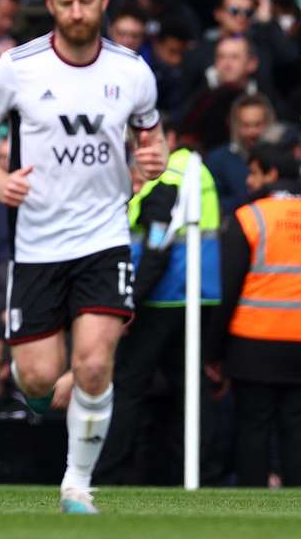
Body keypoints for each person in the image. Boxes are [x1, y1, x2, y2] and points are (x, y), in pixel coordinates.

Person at [0, 0, 167, 513]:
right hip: (36, 243)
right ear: (51, 6)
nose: (77, 12)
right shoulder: (17, 67)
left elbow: (154, 141)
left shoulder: (132, 71)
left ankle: (77, 484)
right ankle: (53, 404)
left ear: (103, 0)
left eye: (86, 1)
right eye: (65, 3)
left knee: (96, 363)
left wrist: (155, 159)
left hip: (104, 236)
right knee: (39, 380)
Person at [96, 128, 222, 485]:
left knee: (129, 384)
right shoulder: (193, 169)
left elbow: (157, 249)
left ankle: (108, 473)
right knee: (190, 389)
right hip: (198, 296)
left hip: (163, 298)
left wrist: (128, 302)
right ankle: (200, 473)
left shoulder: (166, 181)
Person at [209, 143, 301, 487]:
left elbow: (228, 289)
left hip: (254, 342)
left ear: (271, 175)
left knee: (253, 427)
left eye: (254, 172)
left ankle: (251, 500)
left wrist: (213, 353)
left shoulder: (250, 217)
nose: (249, 180)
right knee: (295, 428)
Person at [206, 94, 275, 218]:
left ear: (269, 124)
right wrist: (253, 194)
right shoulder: (218, 160)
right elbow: (213, 204)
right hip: (234, 230)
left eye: (258, 125)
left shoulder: (283, 160)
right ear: (235, 126)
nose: (252, 132)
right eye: (246, 125)